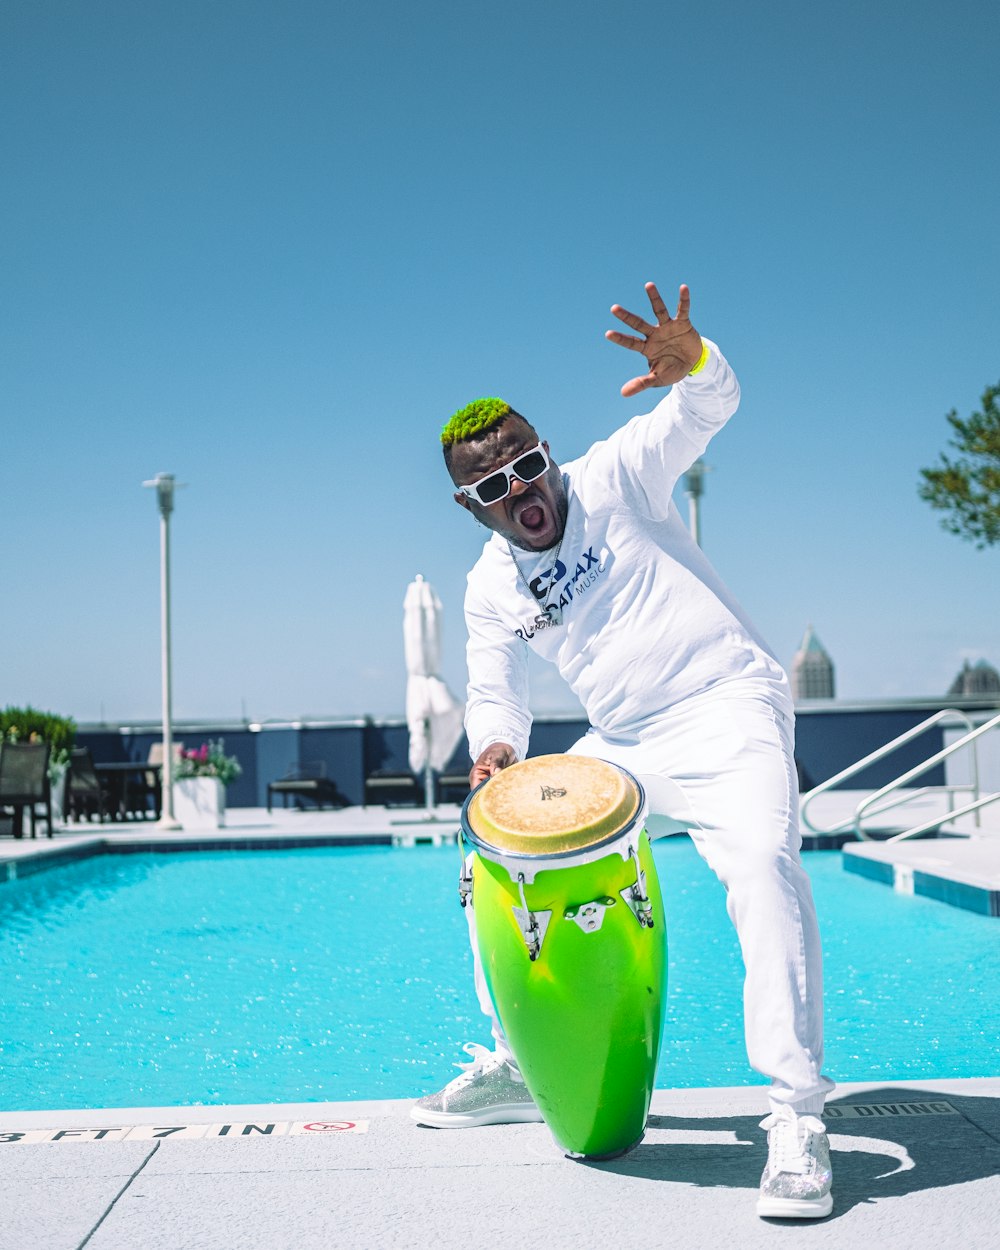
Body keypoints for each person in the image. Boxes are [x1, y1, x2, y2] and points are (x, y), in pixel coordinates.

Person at [411, 281, 835, 1220]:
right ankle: (524, 1061)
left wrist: (699, 363)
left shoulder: (618, 475)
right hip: (625, 744)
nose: (520, 489)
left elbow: (705, 410)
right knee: (492, 845)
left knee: (764, 868)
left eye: (525, 462)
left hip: (728, 704)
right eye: (492, 485)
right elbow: (497, 695)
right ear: (467, 504)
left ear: (547, 450)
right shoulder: (489, 585)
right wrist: (491, 754)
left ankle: (798, 1118)